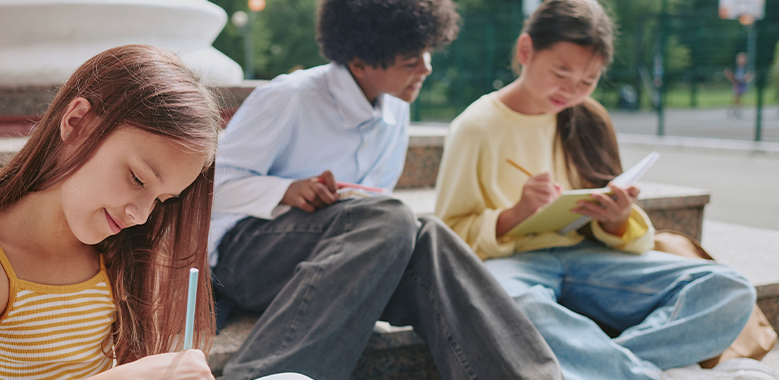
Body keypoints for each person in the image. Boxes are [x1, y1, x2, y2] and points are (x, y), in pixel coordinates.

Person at [209, 0, 564, 379]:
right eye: (410, 60)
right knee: (393, 217)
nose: (426, 67)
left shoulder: (396, 109)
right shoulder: (290, 98)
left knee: (426, 236)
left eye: (427, 52)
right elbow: (209, 189)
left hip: (339, 256)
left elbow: (376, 211)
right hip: (242, 256)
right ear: (359, 62)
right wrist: (284, 190)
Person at [0, 44, 309, 380]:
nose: (141, 215)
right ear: (76, 123)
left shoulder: (120, 252)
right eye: (138, 180)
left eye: (162, 199)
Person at [434, 1, 773, 379]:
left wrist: (617, 220)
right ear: (525, 51)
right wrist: (515, 215)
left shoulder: (587, 117)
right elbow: (447, 237)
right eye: (561, 73)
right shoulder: (476, 127)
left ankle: (613, 368)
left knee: (728, 287)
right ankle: (650, 373)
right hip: (513, 265)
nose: (571, 90)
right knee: (513, 306)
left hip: (588, 258)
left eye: (587, 81)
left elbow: (622, 224)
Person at [724, 52, 754, 118]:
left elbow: (749, 75)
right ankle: (732, 108)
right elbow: (729, 73)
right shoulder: (734, 67)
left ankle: (738, 109)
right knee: (735, 96)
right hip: (736, 83)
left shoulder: (746, 68)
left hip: (742, 83)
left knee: (741, 97)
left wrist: (747, 78)